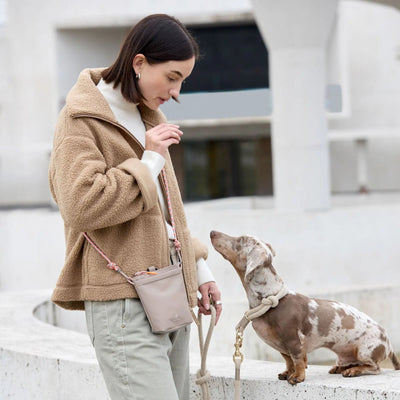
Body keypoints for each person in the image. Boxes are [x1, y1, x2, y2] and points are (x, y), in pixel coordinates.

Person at [48, 14, 222, 400]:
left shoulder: (148, 114)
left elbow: (163, 212)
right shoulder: (80, 119)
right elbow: (81, 204)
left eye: (182, 82)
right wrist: (149, 162)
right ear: (139, 63)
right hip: (122, 301)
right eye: (172, 77)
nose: (176, 92)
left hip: (170, 291)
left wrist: (200, 266)